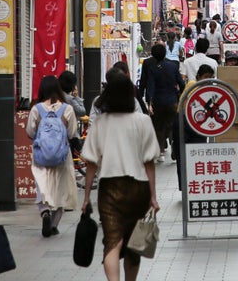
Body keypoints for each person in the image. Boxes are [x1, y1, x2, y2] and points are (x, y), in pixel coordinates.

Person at [81, 70, 160, 281]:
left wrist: (87, 197)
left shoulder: (100, 123)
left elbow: (90, 163)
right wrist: (153, 196)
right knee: (134, 244)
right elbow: (149, 162)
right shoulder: (143, 121)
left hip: (110, 188)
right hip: (139, 188)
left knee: (112, 242)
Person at [26, 75, 78, 237]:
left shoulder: (37, 109)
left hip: (41, 155)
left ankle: (45, 212)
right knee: (61, 189)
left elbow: (30, 132)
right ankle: (54, 225)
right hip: (62, 156)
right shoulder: (67, 109)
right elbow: (72, 133)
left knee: (43, 186)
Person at [174, 64, 214, 187]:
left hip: (197, 124)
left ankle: (197, 183)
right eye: (205, 77)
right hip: (184, 121)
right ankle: (185, 185)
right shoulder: (193, 84)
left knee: (198, 154)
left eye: (210, 77)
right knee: (183, 155)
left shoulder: (206, 89)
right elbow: (195, 104)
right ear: (199, 76)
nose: (208, 80)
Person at [144, 43, 185, 163]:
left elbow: (150, 86)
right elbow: (182, 84)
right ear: (165, 53)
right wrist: (181, 97)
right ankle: (174, 148)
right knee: (173, 125)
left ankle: (161, 152)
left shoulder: (152, 68)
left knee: (158, 127)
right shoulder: (173, 66)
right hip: (172, 100)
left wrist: (149, 102)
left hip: (158, 102)